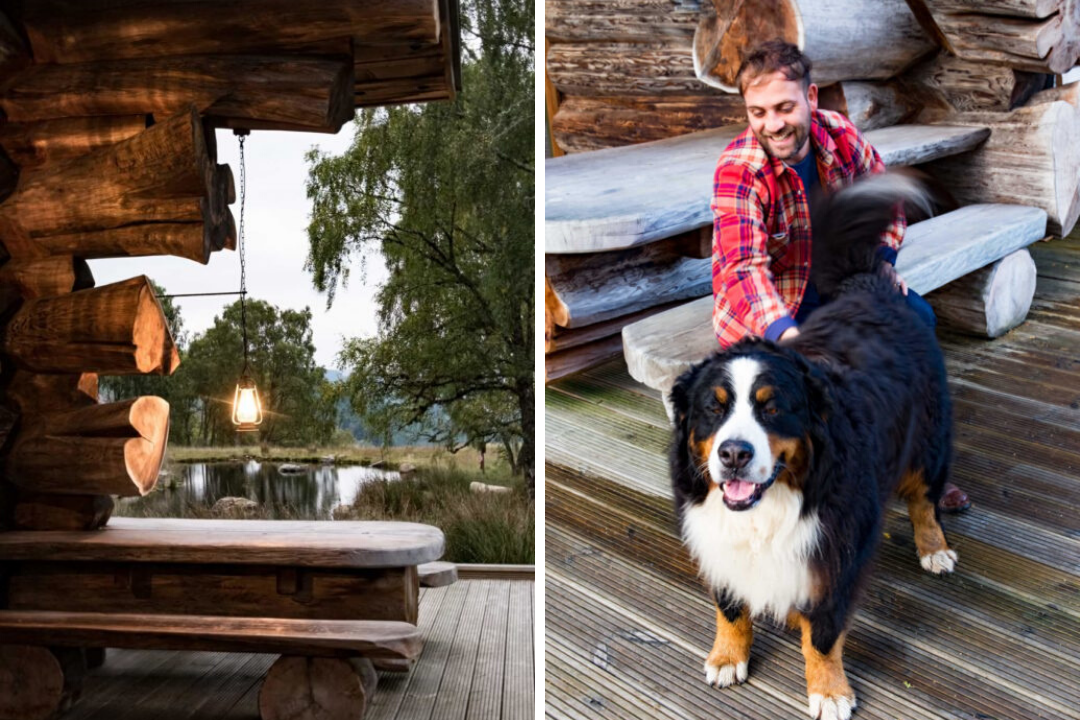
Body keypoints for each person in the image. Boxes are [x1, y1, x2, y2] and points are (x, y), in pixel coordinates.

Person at [710, 39, 969, 513]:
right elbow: (743, 270)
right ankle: (822, 480)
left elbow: (886, 205)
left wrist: (884, 265)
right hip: (770, 310)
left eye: (784, 107)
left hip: (842, 287)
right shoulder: (739, 169)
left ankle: (919, 467)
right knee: (805, 381)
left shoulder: (841, 134)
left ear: (811, 99)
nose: (773, 124)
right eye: (758, 112)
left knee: (917, 321)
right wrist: (786, 336)